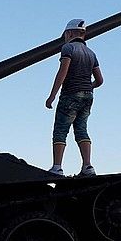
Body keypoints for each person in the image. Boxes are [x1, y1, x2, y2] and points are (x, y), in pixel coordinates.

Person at [45, 18, 103, 176]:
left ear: (69, 33)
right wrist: (88, 86)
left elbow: (62, 72)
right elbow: (100, 80)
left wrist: (52, 96)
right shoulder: (91, 54)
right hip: (88, 97)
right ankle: (88, 166)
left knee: (60, 130)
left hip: (70, 94)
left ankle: (57, 167)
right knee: (81, 129)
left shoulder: (68, 48)